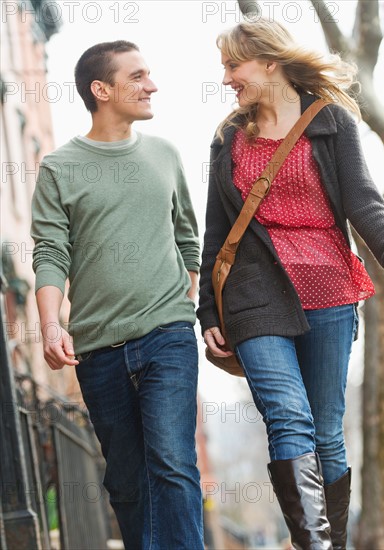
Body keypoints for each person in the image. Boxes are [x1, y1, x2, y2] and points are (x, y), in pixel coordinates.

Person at [198, 18, 384, 550]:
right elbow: (217, 233)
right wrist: (208, 313)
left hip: (330, 291)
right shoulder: (229, 137)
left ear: (269, 61)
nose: (227, 78)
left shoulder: (331, 121)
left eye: (234, 65)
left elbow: (363, 201)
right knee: (288, 417)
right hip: (255, 295)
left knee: (326, 433)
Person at [31, 41, 204, 550]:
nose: (151, 85)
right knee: (126, 482)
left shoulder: (165, 154)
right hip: (98, 348)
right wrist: (49, 324)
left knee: (173, 461)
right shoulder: (60, 167)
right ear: (100, 90)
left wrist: (182, 304)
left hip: (167, 336)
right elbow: (50, 254)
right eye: (138, 76)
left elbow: (188, 239)